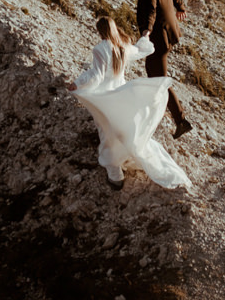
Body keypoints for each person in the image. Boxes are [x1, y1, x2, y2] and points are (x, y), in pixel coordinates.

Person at [67, 17, 190, 190]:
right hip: (122, 92)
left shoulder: (100, 49)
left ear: (100, 31)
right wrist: (145, 35)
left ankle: (115, 176)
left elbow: (96, 76)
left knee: (106, 132)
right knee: (123, 130)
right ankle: (126, 160)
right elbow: (141, 50)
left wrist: (77, 84)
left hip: (105, 96)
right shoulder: (123, 47)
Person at [128, 0, 192, 138]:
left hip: (159, 39)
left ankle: (180, 120)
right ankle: (159, 112)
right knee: (153, 73)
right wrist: (180, 7)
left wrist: (145, 32)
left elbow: (150, 11)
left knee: (158, 80)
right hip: (170, 35)